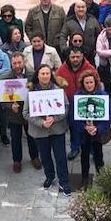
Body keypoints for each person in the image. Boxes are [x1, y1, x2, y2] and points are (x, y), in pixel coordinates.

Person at [24, 64, 72, 194]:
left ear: (51, 75)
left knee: (60, 156)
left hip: (57, 130)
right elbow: (26, 113)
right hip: (39, 131)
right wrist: (41, 123)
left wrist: (54, 119)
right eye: (42, 73)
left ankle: (64, 181)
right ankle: (49, 176)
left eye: (47, 73)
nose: (45, 76)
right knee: (45, 157)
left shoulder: (59, 90)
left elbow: (66, 108)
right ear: (37, 76)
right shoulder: (32, 93)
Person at [70, 70, 111, 184]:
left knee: (99, 155)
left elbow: (109, 115)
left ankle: (102, 177)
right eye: (86, 82)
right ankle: (84, 178)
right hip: (83, 133)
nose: (89, 85)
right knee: (84, 155)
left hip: (97, 132)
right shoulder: (77, 96)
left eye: (91, 82)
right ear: (83, 83)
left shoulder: (103, 96)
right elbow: (73, 117)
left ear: (95, 83)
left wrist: (98, 129)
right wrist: (84, 127)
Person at [2, 52, 40, 173]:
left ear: (24, 62)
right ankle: (17, 161)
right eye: (14, 63)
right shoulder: (5, 77)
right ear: (11, 64)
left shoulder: (33, 74)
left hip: (29, 112)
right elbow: (1, 99)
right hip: (14, 114)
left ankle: (34, 157)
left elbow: (38, 92)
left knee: (32, 136)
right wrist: (9, 105)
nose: (17, 66)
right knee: (15, 138)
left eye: (19, 62)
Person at [56, 47, 95, 159]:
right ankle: (75, 148)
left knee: (89, 126)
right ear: (69, 57)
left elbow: (96, 83)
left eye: (78, 56)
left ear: (82, 56)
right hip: (69, 104)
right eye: (73, 57)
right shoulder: (62, 69)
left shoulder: (89, 68)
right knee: (74, 127)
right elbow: (56, 84)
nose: (75, 59)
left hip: (86, 103)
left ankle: (91, 148)